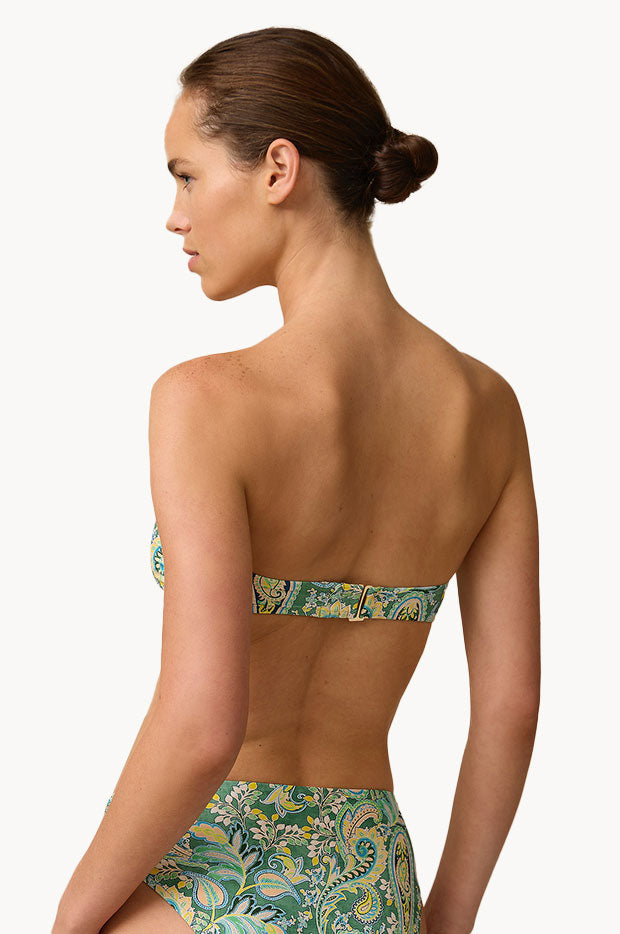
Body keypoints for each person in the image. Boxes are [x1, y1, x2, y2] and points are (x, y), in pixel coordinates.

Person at [52, 26, 540, 934]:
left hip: (212, 878)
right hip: (372, 881)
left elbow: (204, 725)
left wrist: (72, 917)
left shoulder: (205, 402)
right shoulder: (487, 409)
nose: (174, 216)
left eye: (186, 175)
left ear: (278, 169)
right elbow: (509, 707)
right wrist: (445, 919)